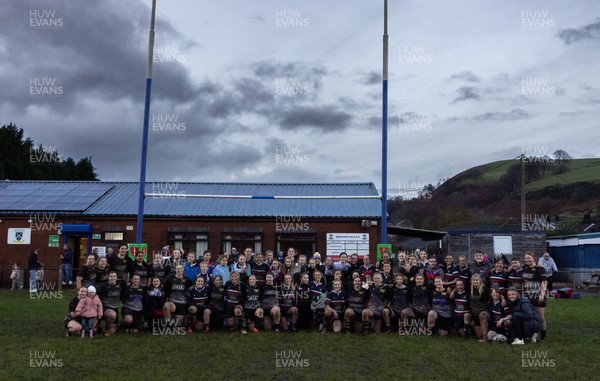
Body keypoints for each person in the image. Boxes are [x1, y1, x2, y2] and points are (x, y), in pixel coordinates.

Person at [523, 251, 548, 341]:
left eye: (529, 258)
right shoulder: (524, 267)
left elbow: (544, 282)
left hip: (538, 295)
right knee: (531, 315)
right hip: (528, 295)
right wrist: (510, 267)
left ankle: (543, 336)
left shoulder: (539, 268)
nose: (527, 260)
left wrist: (541, 294)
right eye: (526, 258)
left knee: (540, 317)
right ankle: (534, 334)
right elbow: (516, 266)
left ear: (534, 258)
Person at [97, 271, 122, 336]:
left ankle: (103, 325)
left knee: (113, 331)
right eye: (111, 276)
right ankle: (106, 328)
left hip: (115, 308)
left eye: (114, 276)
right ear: (108, 277)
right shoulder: (103, 285)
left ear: (116, 277)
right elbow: (97, 296)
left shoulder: (120, 285)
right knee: (112, 315)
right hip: (105, 307)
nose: (113, 278)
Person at [469, 273, 491, 342]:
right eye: (473, 280)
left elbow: (494, 294)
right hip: (475, 314)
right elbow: (459, 288)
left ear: (480, 281)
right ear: (471, 281)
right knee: (479, 336)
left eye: (477, 280)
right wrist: (453, 291)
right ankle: (472, 329)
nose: (475, 281)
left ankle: (485, 337)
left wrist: (503, 299)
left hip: (484, 313)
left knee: (482, 315)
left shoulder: (485, 289)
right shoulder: (469, 288)